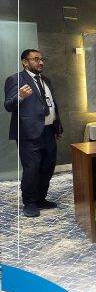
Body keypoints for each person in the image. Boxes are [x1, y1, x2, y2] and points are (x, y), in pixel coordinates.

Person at [4, 49, 63, 217]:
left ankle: (40, 198)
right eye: (36, 59)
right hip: (28, 133)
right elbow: (8, 105)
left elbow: (52, 104)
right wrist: (20, 97)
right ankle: (29, 202)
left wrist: (57, 126)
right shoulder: (15, 79)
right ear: (25, 62)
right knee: (32, 169)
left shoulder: (46, 80)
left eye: (42, 59)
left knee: (48, 166)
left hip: (48, 130)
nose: (41, 62)